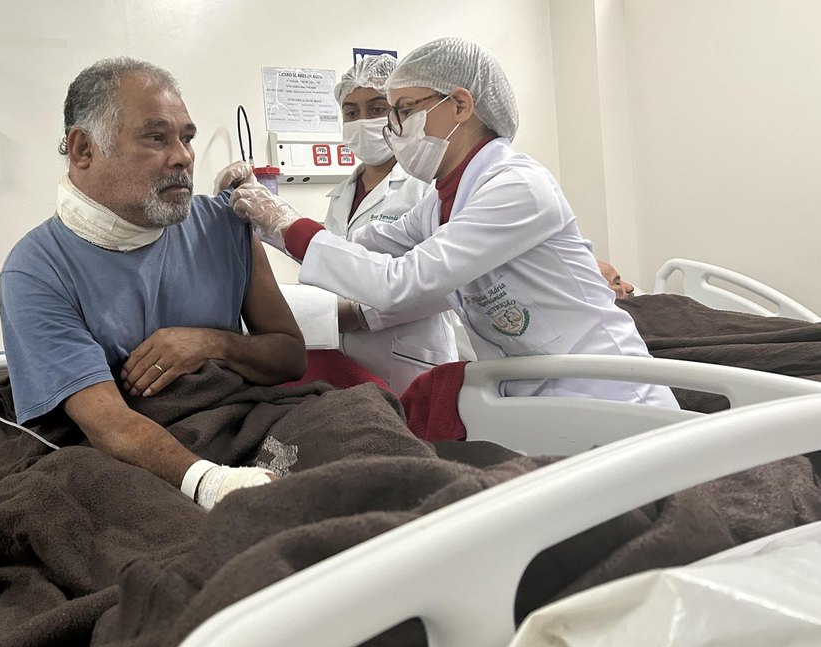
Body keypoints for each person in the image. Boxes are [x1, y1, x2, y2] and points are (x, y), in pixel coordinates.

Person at [226, 38, 678, 407]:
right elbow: (365, 242)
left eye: (401, 110)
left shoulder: (516, 186)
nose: (391, 129)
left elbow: (400, 283)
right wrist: (266, 217)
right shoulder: (447, 199)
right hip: (534, 389)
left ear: (459, 104)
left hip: (609, 393)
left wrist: (286, 224)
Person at [0, 58, 307, 510]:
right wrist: (212, 484)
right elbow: (109, 425)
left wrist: (209, 343)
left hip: (242, 421)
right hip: (145, 452)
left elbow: (290, 357)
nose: (182, 156)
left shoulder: (224, 226)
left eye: (187, 137)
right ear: (83, 150)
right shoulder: (37, 269)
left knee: (361, 425)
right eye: (156, 137)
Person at [326, 54, 460, 392]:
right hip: (345, 359)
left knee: (423, 438)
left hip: (410, 357)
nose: (363, 121)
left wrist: (359, 314)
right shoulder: (339, 196)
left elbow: (447, 284)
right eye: (351, 113)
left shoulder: (426, 186)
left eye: (375, 108)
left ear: (400, 113)